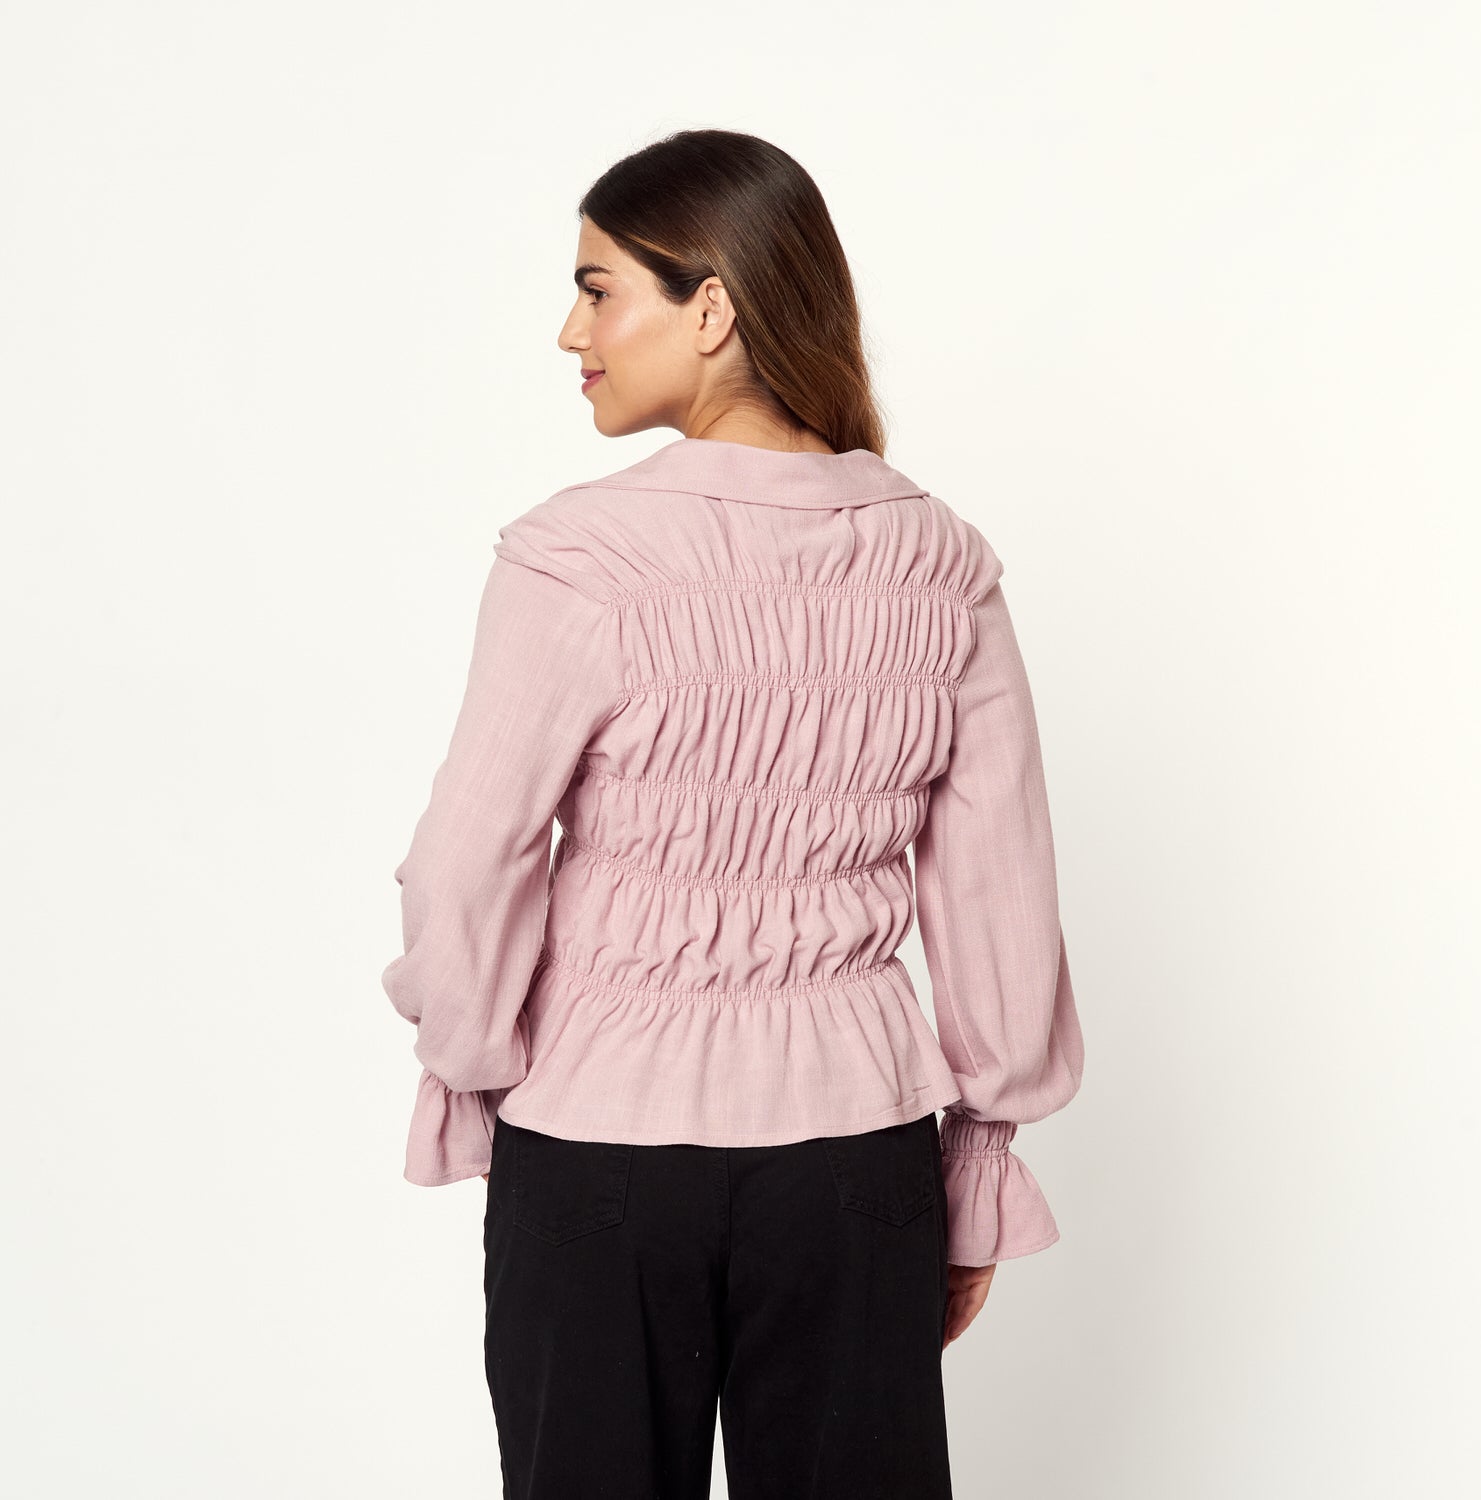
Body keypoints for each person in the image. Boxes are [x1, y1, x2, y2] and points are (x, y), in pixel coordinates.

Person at [380, 127, 1085, 1499]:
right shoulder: (941, 565)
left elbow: (464, 867)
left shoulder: (578, 558)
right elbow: (1001, 893)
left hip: (597, 1157)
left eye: (598, 290)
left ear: (711, 306)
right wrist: (980, 1149)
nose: (571, 331)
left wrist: (480, 1058)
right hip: (858, 1166)